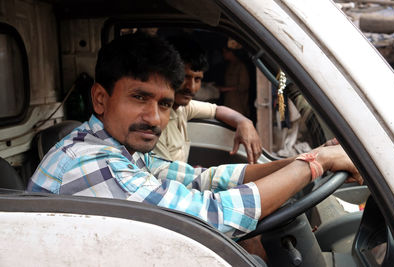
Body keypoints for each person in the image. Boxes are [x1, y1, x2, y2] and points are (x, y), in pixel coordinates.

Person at [28, 34, 362, 240]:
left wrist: (305, 159)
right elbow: (211, 217)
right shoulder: (94, 163)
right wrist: (314, 164)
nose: (155, 118)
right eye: (139, 98)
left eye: (165, 104)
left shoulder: (122, 150)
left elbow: (202, 179)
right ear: (101, 99)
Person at [152, 34, 262, 164]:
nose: (191, 87)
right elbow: (165, 176)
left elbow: (216, 110)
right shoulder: (154, 122)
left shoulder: (183, 108)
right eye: (184, 77)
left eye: (197, 79)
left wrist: (244, 122)